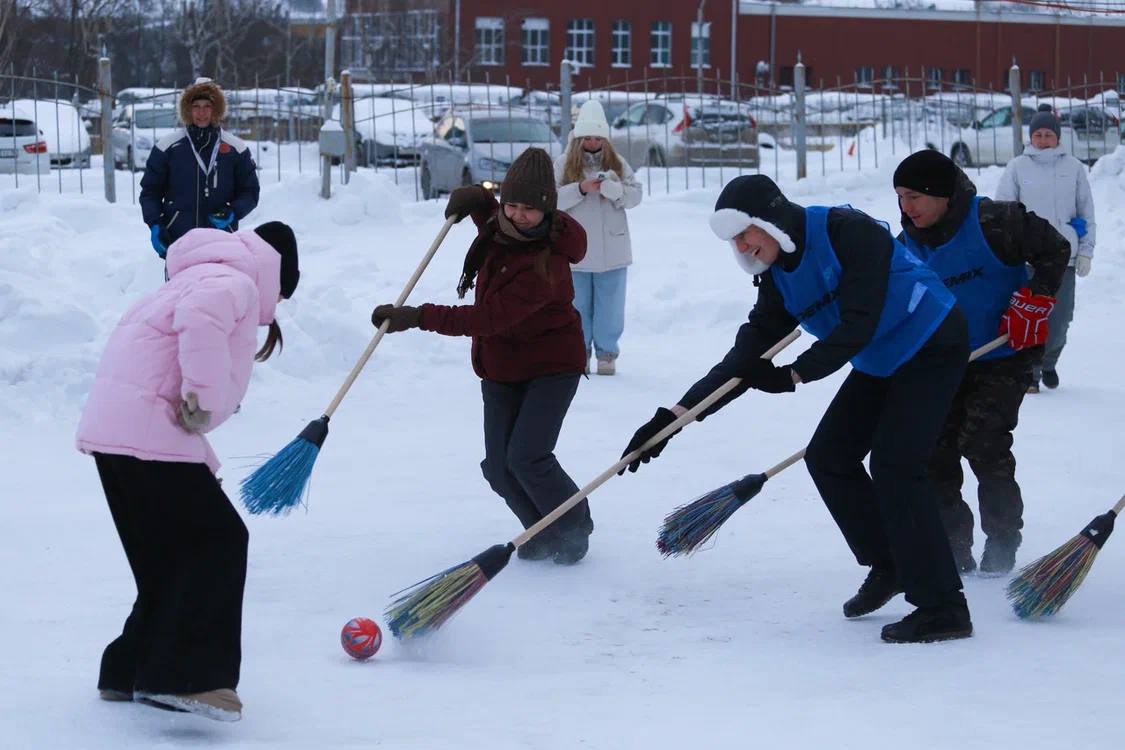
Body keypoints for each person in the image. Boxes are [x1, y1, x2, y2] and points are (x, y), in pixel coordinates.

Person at [620, 174, 974, 644]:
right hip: (882, 359)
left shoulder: (849, 232)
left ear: (771, 219)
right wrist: (674, 418)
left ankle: (943, 606)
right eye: (733, 241)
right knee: (829, 456)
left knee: (896, 466)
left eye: (744, 232)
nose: (741, 247)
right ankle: (889, 563)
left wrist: (794, 374)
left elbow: (859, 323)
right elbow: (743, 361)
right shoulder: (778, 278)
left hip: (931, 341)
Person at [75, 221, 300, 721]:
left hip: (118, 432)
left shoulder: (191, 278)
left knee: (167, 558)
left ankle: (130, 668)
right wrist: (204, 397)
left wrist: (201, 458)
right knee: (220, 541)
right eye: (284, 291)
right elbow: (200, 323)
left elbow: (155, 375)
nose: (279, 303)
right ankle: (190, 679)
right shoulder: (234, 282)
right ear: (277, 272)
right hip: (147, 432)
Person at [370, 148, 594, 564]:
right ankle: (540, 529)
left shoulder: (547, 265)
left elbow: (489, 318)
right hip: (503, 365)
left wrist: (418, 317)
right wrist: (478, 198)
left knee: (528, 457)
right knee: (498, 467)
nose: (518, 215)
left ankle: (573, 525)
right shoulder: (500, 226)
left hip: (552, 366)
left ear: (547, 209)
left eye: (529, 208)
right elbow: (493, 218)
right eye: (512, 205)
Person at [894, 149, 1069, 575]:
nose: (906, 206)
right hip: (943, 362)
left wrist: (1036, 296)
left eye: (914, 195)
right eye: (900, 196)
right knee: (935, 452)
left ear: (941, 194)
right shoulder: (904, 248)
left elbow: (1055, 248)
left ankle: (1003, 541)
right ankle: (954, 548)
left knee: (983, 442)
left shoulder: (996, 221)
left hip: (1002, 354)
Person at [996, 104, 1096, 393]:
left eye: (1048, 134)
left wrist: (1086, 251)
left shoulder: (1073, 168)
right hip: (1028, 258)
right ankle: (1032, 370)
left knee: (1060, 319)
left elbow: (1086, 211)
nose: (1043, 139)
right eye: (1038, 134)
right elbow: (1004, 210)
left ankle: (1049, 361)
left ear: (1057, 137)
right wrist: (1006, 249)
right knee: (1029, 316)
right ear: (1030, 137)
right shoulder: (1017, 167)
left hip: (1064, 257)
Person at [554, 100, 642, 375]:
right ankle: (579, 352)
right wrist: (580, 189)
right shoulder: (564, 164)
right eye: (587, 138)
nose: (592, 143)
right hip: (576, 251)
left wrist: (614, 190)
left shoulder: (617, 163)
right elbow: (550, 201)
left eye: (597, 138)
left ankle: (607, 354)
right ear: (579, 137)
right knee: (577, 305)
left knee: (610, 307)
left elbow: (635, 196)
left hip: (612, 250)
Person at [140, 78, 260, 261]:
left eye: (207, 106)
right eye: (196, 106)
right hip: (179, 241)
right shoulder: (167, 147)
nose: (201, 112)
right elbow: (150, 191)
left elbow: (250, 191)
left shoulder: (235, 149)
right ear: (187, 109)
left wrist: (233, 211)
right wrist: (155, 224)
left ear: (216, 109)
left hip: (221, 242)